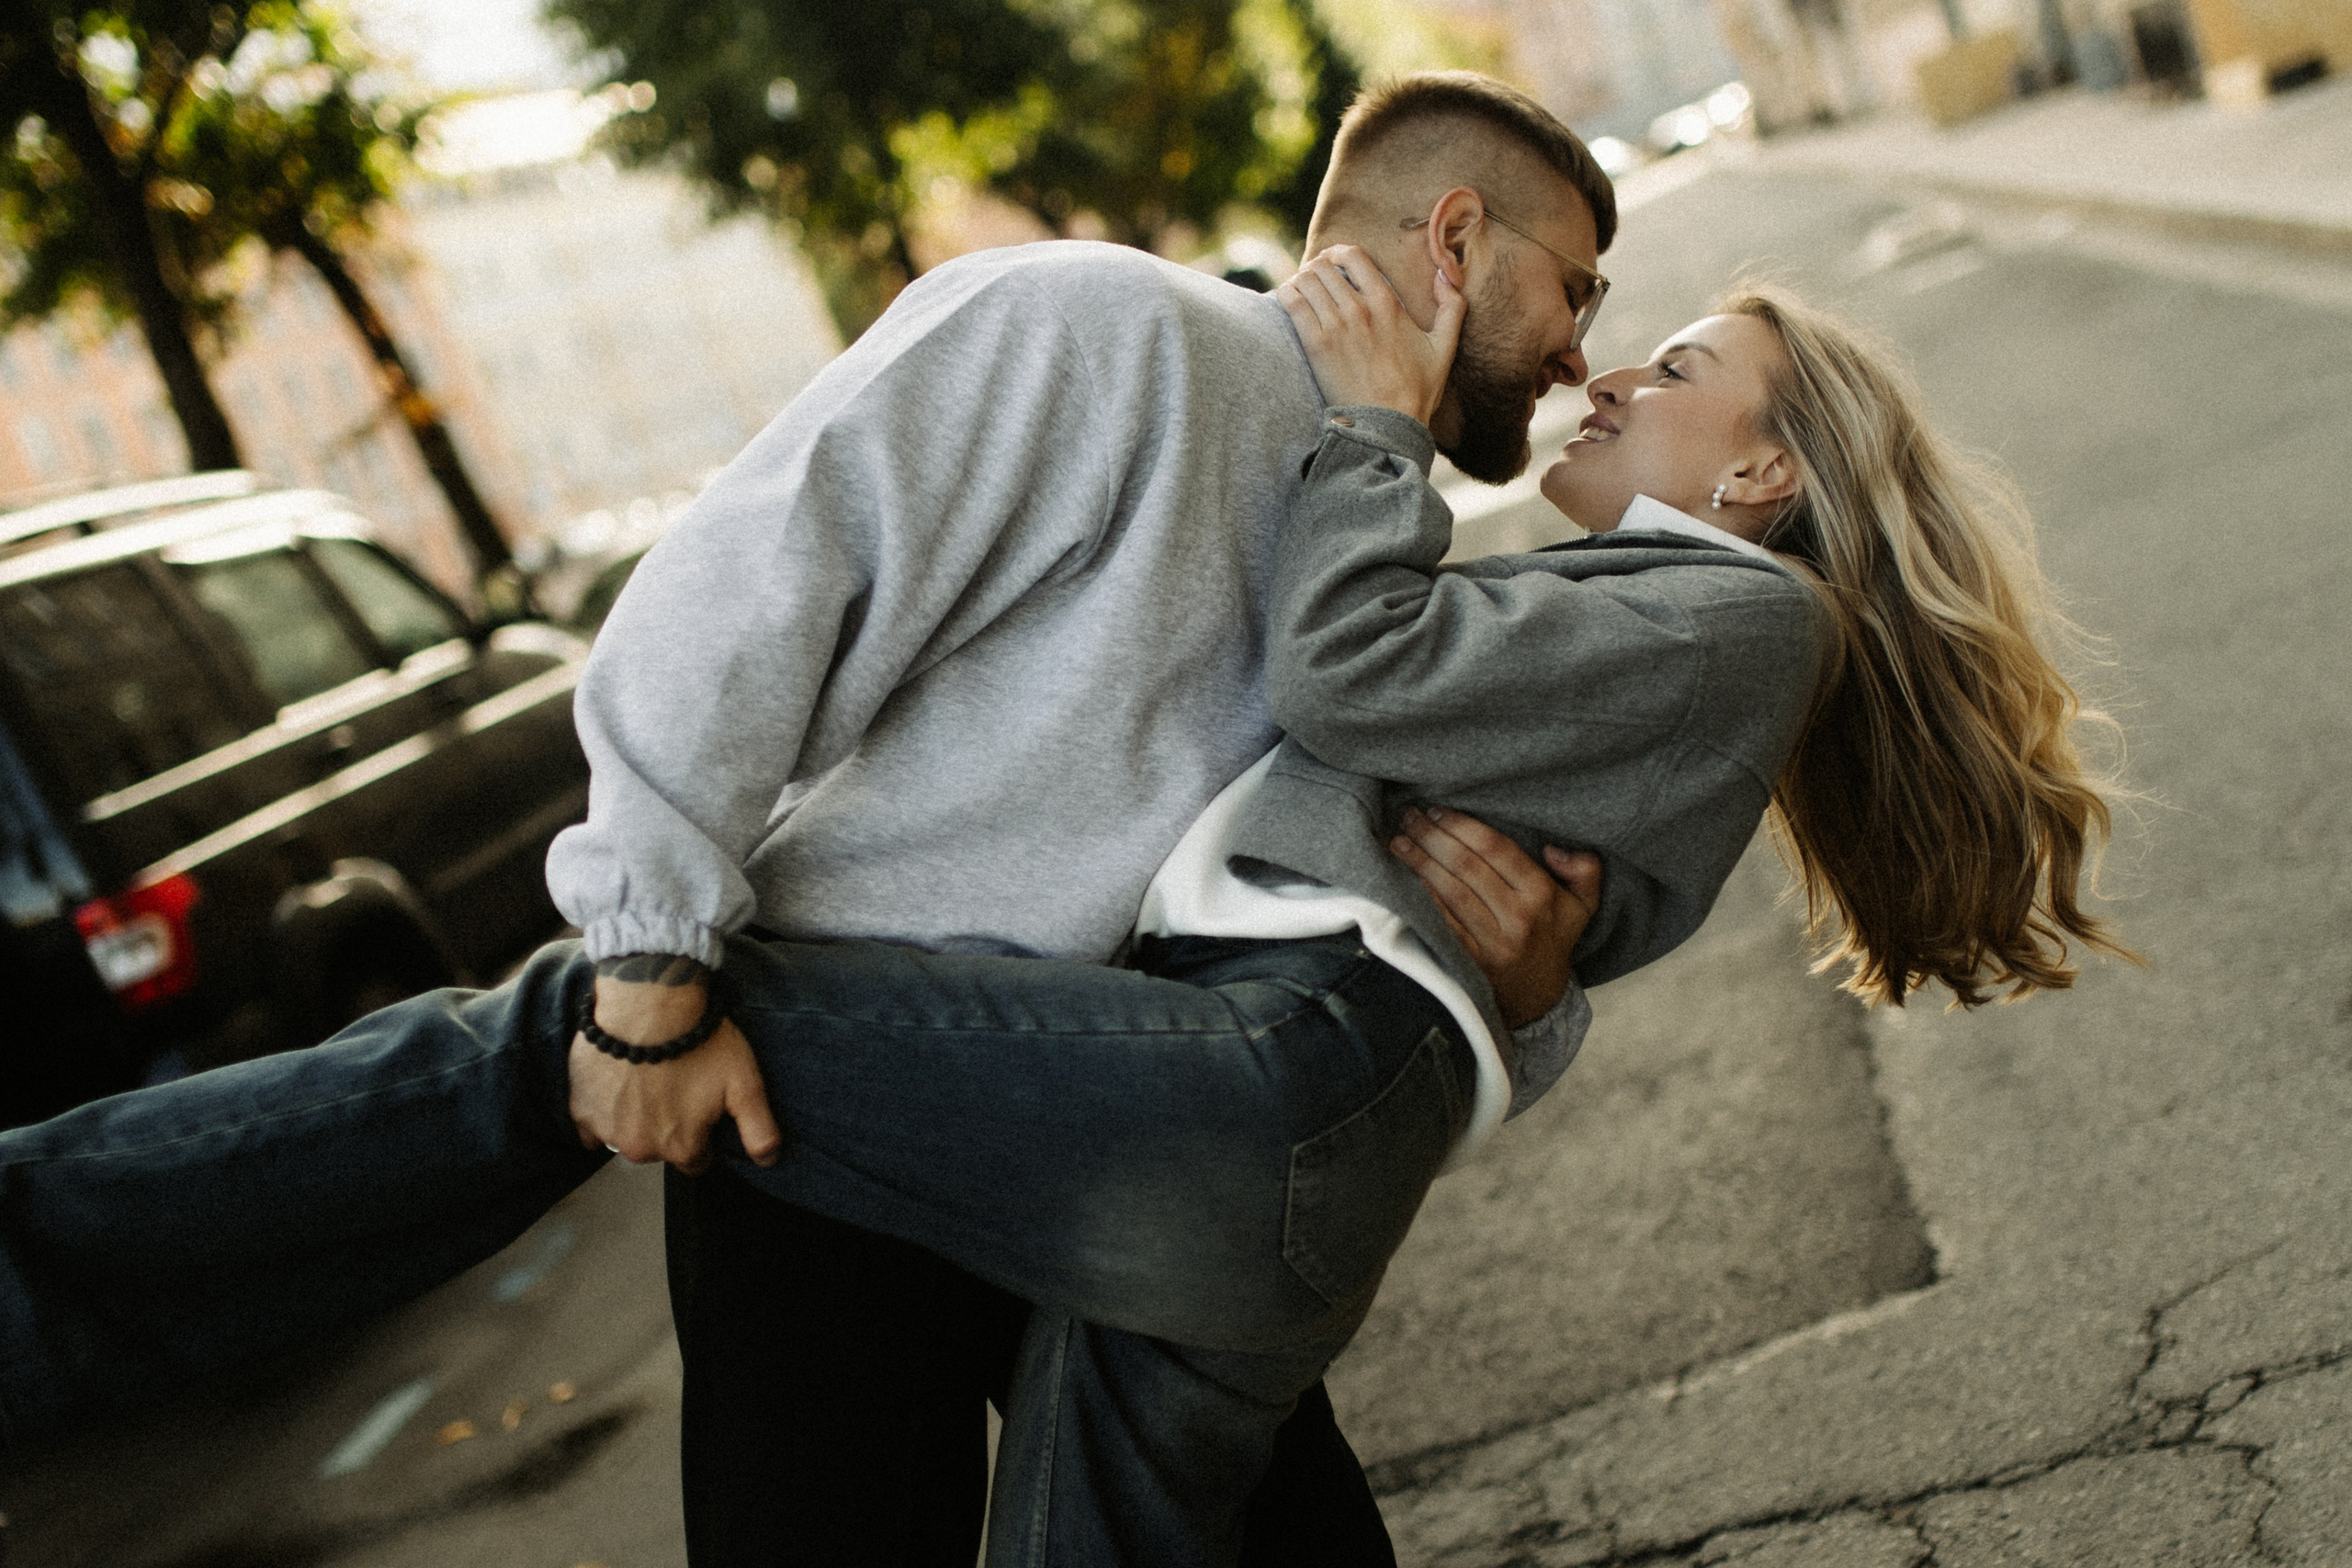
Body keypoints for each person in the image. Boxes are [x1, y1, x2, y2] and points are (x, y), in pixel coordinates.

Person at [0, 247, 2132, 1567]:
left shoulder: (1711, 610)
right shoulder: (1100, 331)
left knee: (583, 1019)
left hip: (1208, 1097)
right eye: (1587, 301)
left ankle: (40, 1256)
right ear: (1447, 244)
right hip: (1173, 1115)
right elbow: (742, 598)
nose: (1593, 359)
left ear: (1758, 473)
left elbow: (1369, 706)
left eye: (1650, 351)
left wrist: (1377, 455)